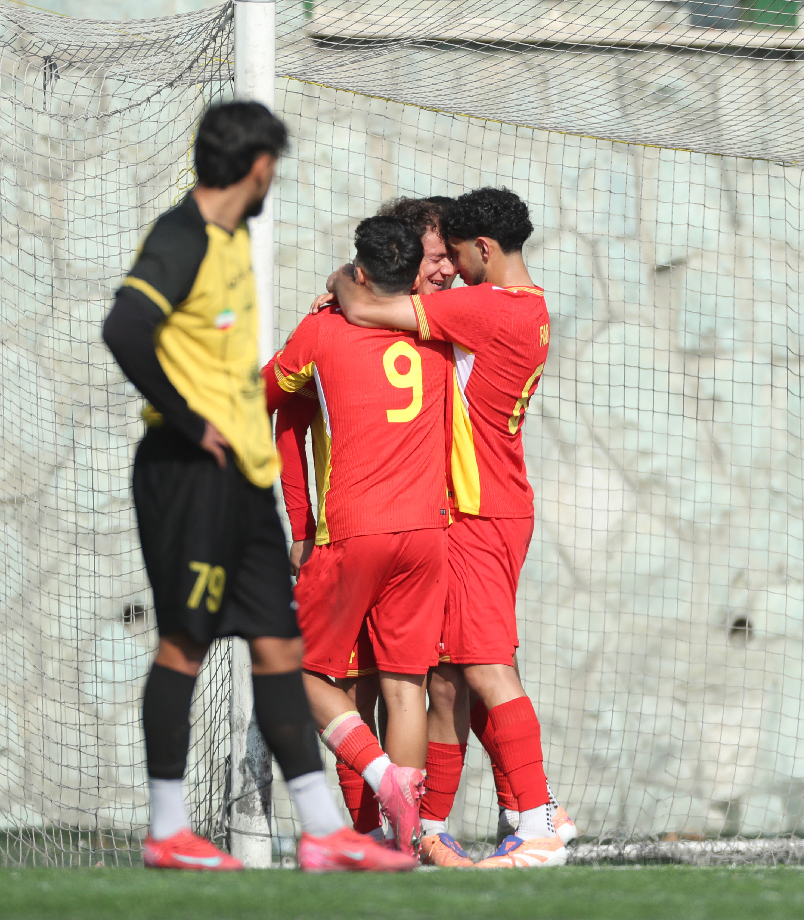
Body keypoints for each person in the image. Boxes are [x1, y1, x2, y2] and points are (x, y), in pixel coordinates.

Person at [101, 101, 415, 873]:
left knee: (280, 647)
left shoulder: (232, 236)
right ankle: (167, 829)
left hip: (244, 481)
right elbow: (125, 328)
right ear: (259, 166)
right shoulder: (181, 237)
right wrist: (187, 421)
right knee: (185, 644)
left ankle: (321, 830)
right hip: (188, 474)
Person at [329, 187, 570, 868]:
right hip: (470, 512)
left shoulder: (484, 306)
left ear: (483, 250)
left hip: (476, 512)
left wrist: (345, 277)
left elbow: (363, 306)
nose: (452, 271)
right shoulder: (523, 306)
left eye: (456, 256)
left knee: (485, 668)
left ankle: (539, 821)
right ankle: (431, 828)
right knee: (446, 677)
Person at [265, 215, 456, 853]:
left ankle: (382, 780)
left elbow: (263, 396)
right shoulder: (436, 327)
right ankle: (400, 846)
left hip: (353, 533)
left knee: (291, 669)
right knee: (406, 690)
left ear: (362, 272)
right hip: (425, 535)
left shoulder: (323, 330)